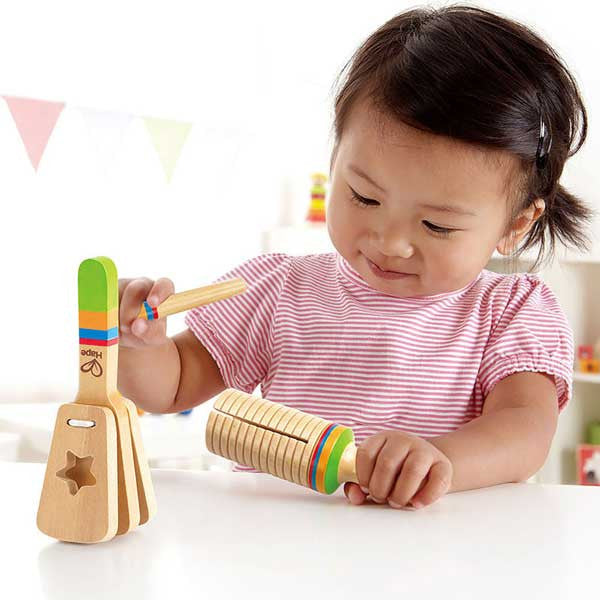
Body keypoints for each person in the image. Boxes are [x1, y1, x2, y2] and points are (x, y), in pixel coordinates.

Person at [117, 5, 594, 510]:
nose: (390, 242)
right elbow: (170, 389)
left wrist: (439, 460)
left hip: (436, 561)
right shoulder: (279, 288)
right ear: (335, 162)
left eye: (437, 225)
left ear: (516, 223)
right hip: (277, 553)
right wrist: (140, 344)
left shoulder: (512, 312)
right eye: (365, 197)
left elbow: (525, 432)